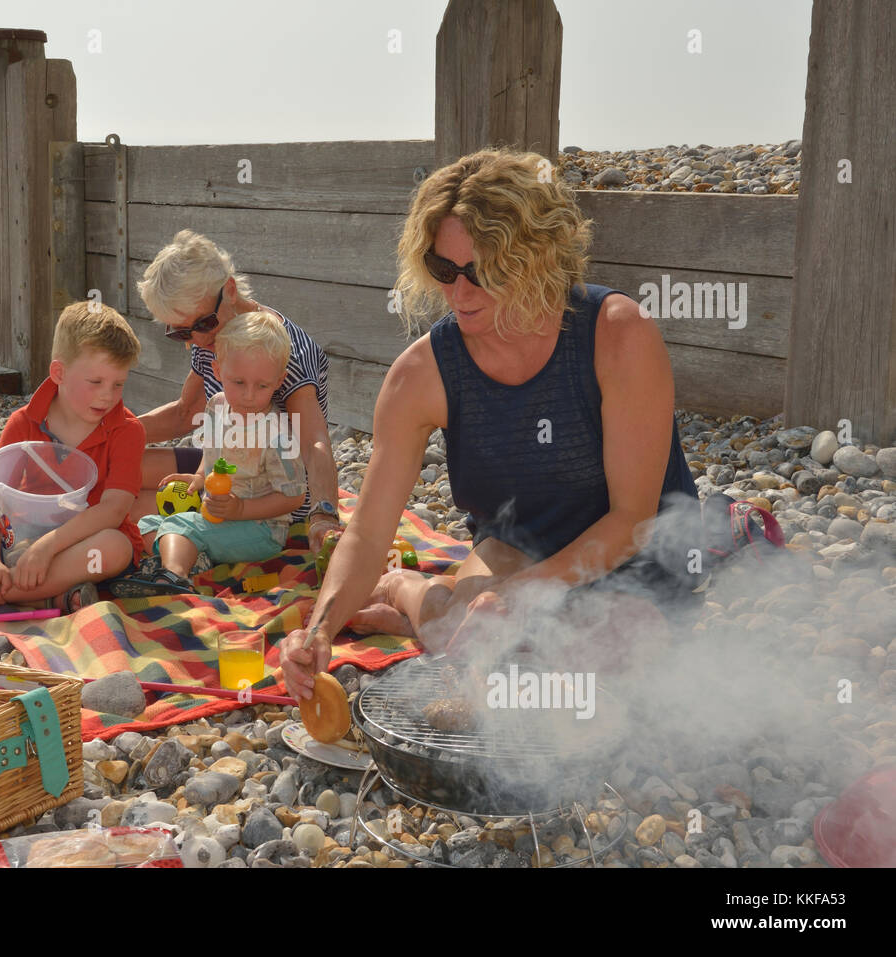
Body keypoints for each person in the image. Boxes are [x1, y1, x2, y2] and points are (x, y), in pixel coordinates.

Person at [280, 148, 703, 701]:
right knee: (486, 645)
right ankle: (419, 598)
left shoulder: (617, 334)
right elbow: (366, 532)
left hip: (637, 557)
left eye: (483, 271)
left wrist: (517, 597)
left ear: (538, 258)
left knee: (603, 656)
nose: (459, 293)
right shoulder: (421, 376)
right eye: (443, 270)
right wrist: (318, 631)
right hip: (515, 545)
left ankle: (411, 596)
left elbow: (633, 521)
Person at [0, 230, 344, 558]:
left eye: (200, 325)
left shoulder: (274, 346)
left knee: (120, 502)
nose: (194, 341)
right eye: (179, 333)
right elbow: (186, 414)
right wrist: (96, 435)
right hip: (221, 464)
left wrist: (324, 515)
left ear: (229, 291)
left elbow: (314, 440)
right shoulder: (215, 340)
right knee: (100, 466)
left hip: (273, 490)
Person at [0, 301, 146, 614]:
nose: (108, 395)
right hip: (19, 542)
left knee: (114, 548)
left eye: (118, 384)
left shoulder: (128, 430)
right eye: (95, 382)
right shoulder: (23, 421)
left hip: (82, 546)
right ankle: (44, 598)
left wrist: (47, 547)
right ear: (59, 373)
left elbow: (113, 510)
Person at [117, 312, 307, 595]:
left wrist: (241, 509)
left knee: (181, 526)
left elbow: (294, 496)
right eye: (238, 382)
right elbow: (214, 451)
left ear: (280, 381)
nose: (249, 395)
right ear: (218, 373)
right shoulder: (218, 407)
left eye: (262, 385)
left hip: (259, 530)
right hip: (216, 517)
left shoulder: (277, 433)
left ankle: (172, 577)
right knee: (146, 524)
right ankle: (196, 561)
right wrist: (198, 476)